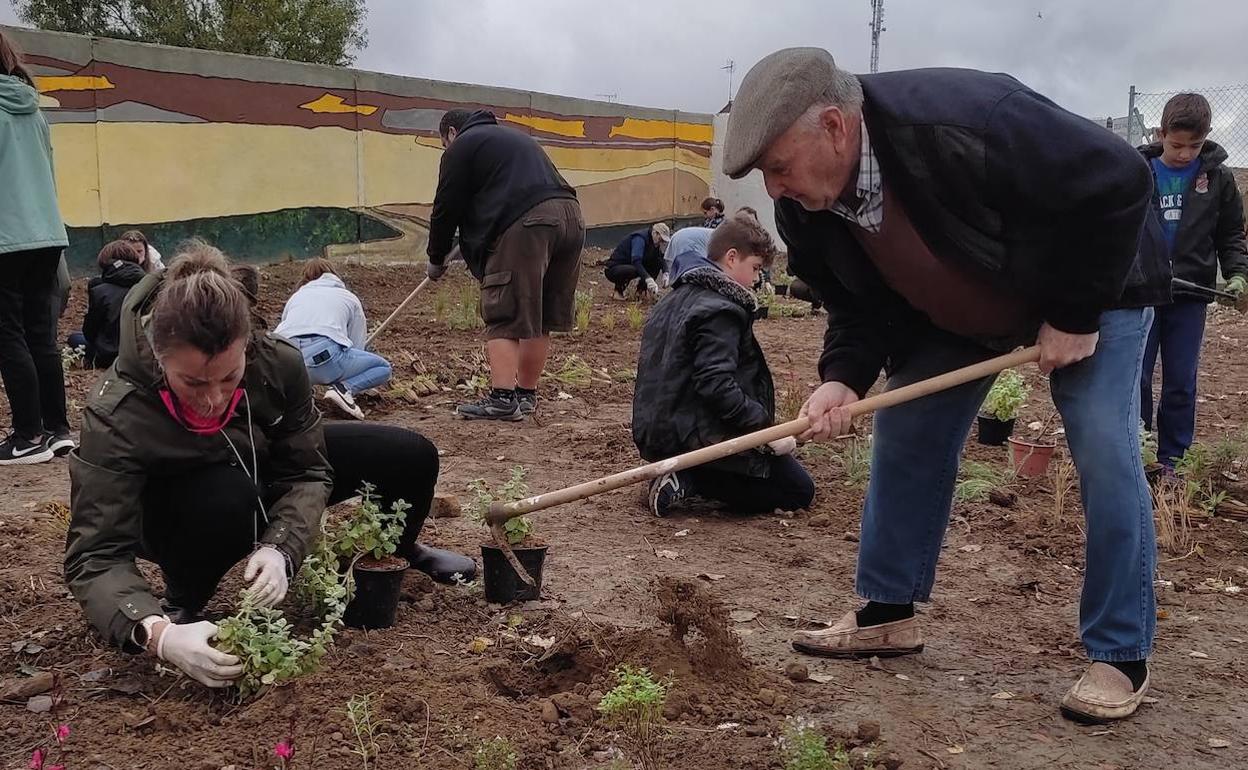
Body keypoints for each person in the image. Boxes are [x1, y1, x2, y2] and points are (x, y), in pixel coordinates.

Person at [723, 48, 1169, 723]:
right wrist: (842, 378)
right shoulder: (804, 208)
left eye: (779, 167)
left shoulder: (970, 121)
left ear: (838, 127)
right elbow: (856, 305)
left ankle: (1119, 653)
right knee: (907, 432)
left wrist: (1075, 313)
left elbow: (1119, 177)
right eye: (766, 175)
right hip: (963, 311)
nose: (774, 188)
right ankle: (888, 611)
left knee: (1105, 446)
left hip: (1092, 287)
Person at [65, 241, 475, 689]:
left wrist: (280, 546)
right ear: (160, 358)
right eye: (192, 382)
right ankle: (183, 603)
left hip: (258, 470)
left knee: (406, 453)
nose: (212, 398)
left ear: (246, 348)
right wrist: (156, 632)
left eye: (228, 377)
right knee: (226, 495)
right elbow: (96, 554)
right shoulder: (117, 410)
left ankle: (384, 556)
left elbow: (307, 469)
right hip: (177, 506)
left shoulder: (276, 361)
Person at [634, 214, 815, 517]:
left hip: (660, 432)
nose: (758, 279)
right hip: (693, 435)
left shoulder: (675, 297)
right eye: (755, 268)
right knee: (797, 489)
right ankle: (690, 475)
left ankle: (676, 469)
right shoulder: (720, 309)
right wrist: (764, 428)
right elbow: (717, 385)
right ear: (732, 258)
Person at [424, 109, 585, 421]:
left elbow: (445, 207)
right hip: (570, 218)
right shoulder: (512, 139)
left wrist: (435, 257)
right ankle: (525, 396)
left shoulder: (462, 146)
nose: (447, 149)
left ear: (452, 133)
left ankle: (502, 400)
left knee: (504, 311)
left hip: (529, 223)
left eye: (444, 143)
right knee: (539, 316)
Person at [1138, 93, 1248, 468]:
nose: (1185, 154)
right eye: (1177, 145)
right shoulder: (1138, 171)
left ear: (1207, 137)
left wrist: (1237, 274)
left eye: (1195, 146)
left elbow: (1231, 233)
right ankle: (1136, 452)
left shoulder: (1217, 179)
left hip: (1190, 295)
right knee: (1135, 377)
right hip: (1141, 294)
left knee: (1181, 381)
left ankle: (1173, 460)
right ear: (1161, 133)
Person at [0, 31, 74, 466]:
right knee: (40, 335)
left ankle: (28, 436)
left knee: (7, 334)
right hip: (46, 234)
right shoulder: (30, 106)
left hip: (6, 238)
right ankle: (57, 429)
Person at [275, 258, 391, 421]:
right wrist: (356, 381)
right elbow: (356, 346)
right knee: (383, 367)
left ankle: (294, 400)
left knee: (298, 367)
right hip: (323, 357)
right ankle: (344, 390)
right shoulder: (348, 297)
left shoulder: (297, 296)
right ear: (334, 275)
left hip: (283, 359)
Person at [67, 240, 147, 369]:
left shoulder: (100, 291)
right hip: (142, 356)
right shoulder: (149, 285)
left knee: (75, 338)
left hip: (109, 355)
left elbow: (89, 332)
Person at [605, 223, 671, 300]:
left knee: (655, 264)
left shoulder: (654, 241)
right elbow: (636, 261)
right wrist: (648, 279)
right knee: (634, 269)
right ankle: (618, 291)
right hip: (613, 269)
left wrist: (665, 273)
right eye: (661, 240)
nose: (661, 243)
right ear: (655, 233)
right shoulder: (640, 239)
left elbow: (659, 258)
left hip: (629, 265)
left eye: (663, 241)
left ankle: (641, 291)